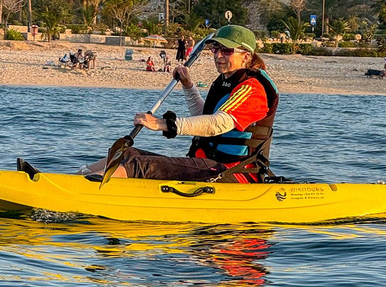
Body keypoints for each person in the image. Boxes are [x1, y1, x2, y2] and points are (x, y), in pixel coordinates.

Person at [82, 25, 278, 183]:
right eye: (215, 49)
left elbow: (218, 125)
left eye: (226, 50)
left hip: (234, 171)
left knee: (138, 164)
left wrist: (162, 124)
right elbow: (205, 117)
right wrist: (188, 86)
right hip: (209, 162)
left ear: (246, 56)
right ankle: (74, 180)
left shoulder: (253, 87)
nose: (218, 55)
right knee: (127, 153)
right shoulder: (225, 81)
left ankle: (85, 192)